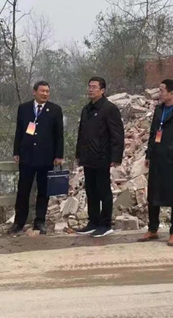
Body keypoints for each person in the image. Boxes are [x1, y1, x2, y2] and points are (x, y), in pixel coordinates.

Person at [138, 79, 173, 246]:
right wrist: (149, 154)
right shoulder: (159, 110)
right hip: (158, 158)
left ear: (172, 93)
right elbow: (153, 133)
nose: (160, 93)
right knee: (153, 195)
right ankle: (152, 229)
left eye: (162, 90)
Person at [10, 81, 64, 235]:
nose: (45, 94)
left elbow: (59, 135)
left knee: (43, 191)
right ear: (34, 92)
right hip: (27, 157)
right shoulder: (24, 108)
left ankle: (39, 221)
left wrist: (59, 155)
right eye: (42, 91)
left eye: (47, 91)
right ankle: (19, 222)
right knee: (23, 190)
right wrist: (16, 151)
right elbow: (19, 131)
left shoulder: (55, 110)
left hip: (46, 157)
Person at [75, 77, 124, 238]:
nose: (90, 89)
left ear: (102, 90)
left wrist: (116, 157)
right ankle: (93, 222)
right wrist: (79, 153)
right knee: (91, 191)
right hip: (88, 157)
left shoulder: (109, 109)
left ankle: (105, 224)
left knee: (104, 191)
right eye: (89, 86)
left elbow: (117, 134)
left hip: (102, 157)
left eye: (94, 87)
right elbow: (81, 133)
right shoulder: (86, 109)